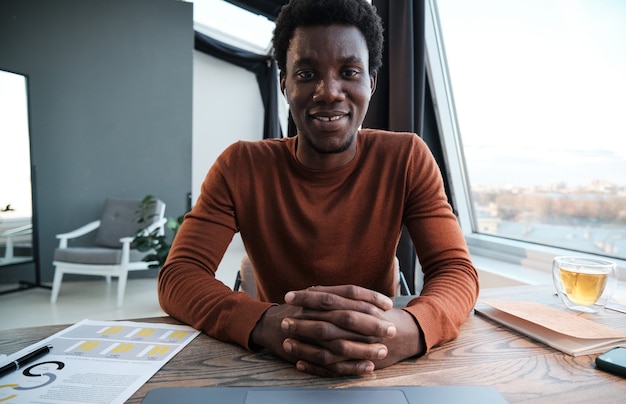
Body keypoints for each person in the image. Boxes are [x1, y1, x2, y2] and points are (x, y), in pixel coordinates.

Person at [158, 0, 479, 377]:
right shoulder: (240, 165)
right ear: (284, 83)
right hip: (279, 362)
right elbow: (179, 275)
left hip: (374, 361)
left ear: (370, 84)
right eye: (307, 73)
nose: (329, 91)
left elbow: (456, 270)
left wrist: (410, 328)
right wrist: (268, 323)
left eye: (349, 71)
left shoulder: (407, 157)